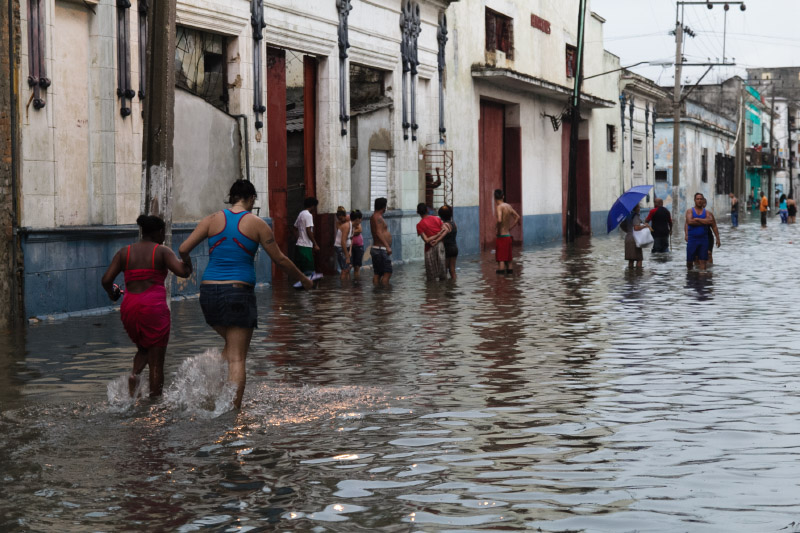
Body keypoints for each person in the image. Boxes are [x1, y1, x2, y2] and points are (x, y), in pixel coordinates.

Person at [179, 180, 313, 409]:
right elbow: (280, 259)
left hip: (208, 294)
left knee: (232, 347)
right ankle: (232, 414)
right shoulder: (257, 224)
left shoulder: (211, 220)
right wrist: (303, 279)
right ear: (251, 198)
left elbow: (182, 249)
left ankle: (211, 393)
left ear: (231, 197)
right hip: (238, 294)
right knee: (238, 357)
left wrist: (188, 267)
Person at [101, 215, 192, 397]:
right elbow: (183, 271)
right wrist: (186, 258)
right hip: (153, 308)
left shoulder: (124, 252)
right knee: (157, 362)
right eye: (163, 233)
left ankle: (134, 376)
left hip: (129, 307)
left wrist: (112, 294)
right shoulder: (162, 252)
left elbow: (106, 280)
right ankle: (155, 406)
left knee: (144, 347)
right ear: (158, 232)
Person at [416, 202, 446, 281]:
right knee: (442, 272)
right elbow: (444, 231)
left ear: (418, 212)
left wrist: (434, 238)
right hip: (440, 245)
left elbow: (426, 240)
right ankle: (443, 291)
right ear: (427, 210)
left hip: (429, 248)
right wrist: (438, 235)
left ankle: (431, 292)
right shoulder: (437, 219)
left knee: (431, 276)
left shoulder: (419, 225)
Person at [494, 189, 520, 274]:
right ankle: (509, 283)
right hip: (508, 236)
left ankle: (501, 284)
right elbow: (517, 217)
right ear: (503, 197)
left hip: (501, 237)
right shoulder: (508, 206)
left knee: (501, 260)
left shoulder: (499, 207)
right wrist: (510, 227)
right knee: (509, 261)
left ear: (495, 198)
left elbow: (499, 220)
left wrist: (496, 229)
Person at [685, 192, 714, 271]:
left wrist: (697, 219)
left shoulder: (707, 213)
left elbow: (711, 222)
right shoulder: (690, 211)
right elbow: (689, 222)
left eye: (701, 199)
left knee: (704, 259)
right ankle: (691, 275)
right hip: (692, 239)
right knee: (690, 261)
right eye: (698, 199)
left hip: (705, 238)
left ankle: (703, 278)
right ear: (694, 200)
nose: (700, 201)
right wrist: (686, 234)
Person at [293, 197, 319, 277]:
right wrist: (315, 244)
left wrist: (299, 239)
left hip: (300, 246)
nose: (315, 208)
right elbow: (308, 230)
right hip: (306, 247)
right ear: (312, 206)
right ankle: (310, 288)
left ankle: (304, 287)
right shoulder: (308, 215)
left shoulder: (301, 213)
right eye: (315, 206)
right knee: (309, 271)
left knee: (302, 271)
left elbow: (295, 228)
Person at [370, 197, 393, 286]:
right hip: (380, 249)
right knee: (387, 272)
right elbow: (378, 232)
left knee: (378, 273)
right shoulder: (377, 217)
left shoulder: (375, 216)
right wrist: (387, 246)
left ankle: (378, 294)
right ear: (383, 207)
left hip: (378, 249)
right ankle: (384, 295)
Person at [431, 205, 458, 280]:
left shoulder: (445, 225)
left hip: (447, 249)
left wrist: (436, 240)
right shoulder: (454, 224)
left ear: (441, 216)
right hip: (454, 248)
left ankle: (445, 289)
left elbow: (443, 234)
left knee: (444, 271)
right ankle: (453, 286)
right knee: (452, 270)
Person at [623, 204, 650, 268]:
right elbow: (636, 228)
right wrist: (644, 226)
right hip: (634, 239)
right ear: (636, 208)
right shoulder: (636, 216)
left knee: (631, 260)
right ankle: (638, 276)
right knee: (639, 259)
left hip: (628, 238)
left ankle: (630, 276)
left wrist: (629, 231)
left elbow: (622, 226)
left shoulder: (627, 216)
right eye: (638, 207)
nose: (639, 208)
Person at [334, 206, 353, 280]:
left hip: (346, 246)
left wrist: (350, 250)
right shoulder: (340, 224)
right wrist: (347, 256)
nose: (340, 220)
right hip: (341, 247)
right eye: (339, 218)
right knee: (345, 269)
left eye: (341, 218)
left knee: (348, 268)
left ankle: (346, 286)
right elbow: (342, 241)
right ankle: (344, 287)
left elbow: (351, 237)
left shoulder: (349, 222)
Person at [702, 197, 721, 265]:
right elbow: (687, 224)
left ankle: (710, 269)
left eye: (704, 203)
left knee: (708, 254)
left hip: (708, 237)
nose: (702, 204)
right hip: (697, 237)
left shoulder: (709, 214)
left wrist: (718, 238)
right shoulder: (692, 213)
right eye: (701, 202)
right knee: (696, 256)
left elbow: (714, 227)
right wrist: (687, 235)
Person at [350, 210, 364, 279]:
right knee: (349, 266)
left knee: (357, 266)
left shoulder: (358, 224)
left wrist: (352, 232)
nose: (361, 220)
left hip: (359, 246)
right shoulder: (349, 224)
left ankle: (356, 282)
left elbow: (359, 230)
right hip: (350, 247)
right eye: (360, 219)